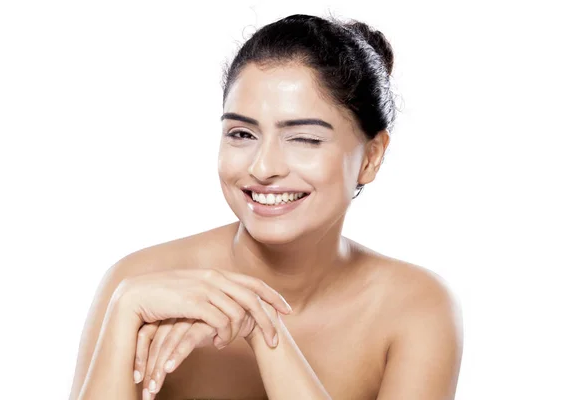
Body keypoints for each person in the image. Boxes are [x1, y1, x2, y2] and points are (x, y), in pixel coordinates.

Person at [69, 13, 463, 400]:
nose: (263, 168)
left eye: (304, 139)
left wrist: (263, 327)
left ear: (371, 157)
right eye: (241, 133)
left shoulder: (415, 308)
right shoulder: (140, 284)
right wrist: (124, 310)